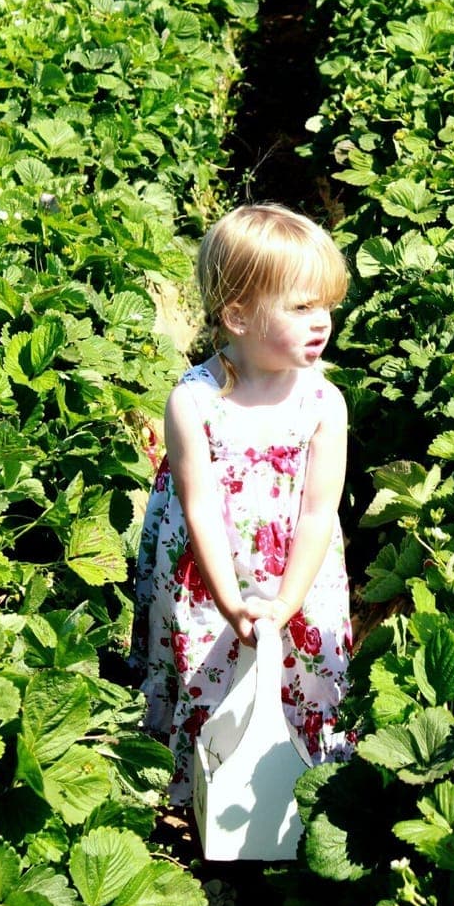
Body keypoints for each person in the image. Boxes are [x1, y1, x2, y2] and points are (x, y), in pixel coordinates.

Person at [133, 203, 353, 806]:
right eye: (301, 307)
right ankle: (200, 783)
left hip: (297, 568)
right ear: (237, 316)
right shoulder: (195, 402)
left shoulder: (322, 403)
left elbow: (317, 512)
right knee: (208, 660)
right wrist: (230, 602)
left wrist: (285, 602)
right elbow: (200, 509)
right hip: (209, 570)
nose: (322, 323)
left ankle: (304, 782)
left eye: (326, 305)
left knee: (299, 662)